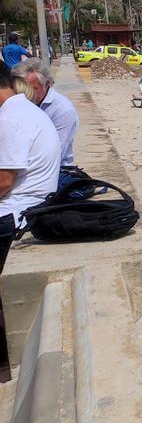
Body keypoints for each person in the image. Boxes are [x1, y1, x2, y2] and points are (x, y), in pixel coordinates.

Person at [0, 64, 61, 273]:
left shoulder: (8, 119)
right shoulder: (25, 109)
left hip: (13, 214)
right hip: (34, 203)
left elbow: (4, 183)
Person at [13, 60, 79, 167]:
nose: (25, 94)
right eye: (20, 89)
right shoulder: (20, 104)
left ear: (47, 84)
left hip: (53, 172)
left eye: (32, 89)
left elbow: (54, 155)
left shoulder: (62, 110)